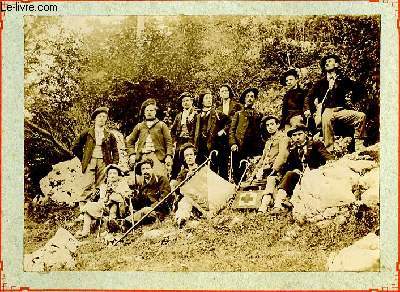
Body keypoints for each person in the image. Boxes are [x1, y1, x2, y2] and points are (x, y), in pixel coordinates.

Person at [304, 54, 366, 152]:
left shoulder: (343, 80)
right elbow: (309, 97)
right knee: (326, 120)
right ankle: (330, 151)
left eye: (330, 61)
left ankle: (359, 145)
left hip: (341, 109)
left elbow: (358, 89)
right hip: (327, 110)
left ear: (336, 64)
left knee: (361, 116)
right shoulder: (320, 83)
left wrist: (354, 100)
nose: (327, 63)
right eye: (326, 62)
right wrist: (307, 109)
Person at [271, 123, 333, 214]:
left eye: (299, 134)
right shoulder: (294, 150)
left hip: (315, 175)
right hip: (300, 177)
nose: (297, 137)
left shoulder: (315, 144)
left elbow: (327, 157)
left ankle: (292, 202)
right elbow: (287, 166)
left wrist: (322, 168)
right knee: (289, 174)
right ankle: (278, 205)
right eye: (294, 135)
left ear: (305, 134)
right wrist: (294, 170)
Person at [72, 106, 119, 203]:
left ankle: (99, 207)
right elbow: (76, 146)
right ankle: (83, 210)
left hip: (104, 162)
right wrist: (84, 158)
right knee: (87, 184)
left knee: (101, 186)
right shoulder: (87, 132)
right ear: (95, 119)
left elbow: (115, 150)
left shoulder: (109, 135)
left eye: (104, 117)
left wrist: (114, 164)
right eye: (99, 117)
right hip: (90, 161)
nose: (102, 119)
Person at [248, 115, 290, 213]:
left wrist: (274, 169)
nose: (269, 127)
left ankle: (267, 205)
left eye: (272, 124)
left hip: (278, 170)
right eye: (267, 125)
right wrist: (253, 174)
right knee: (250, 185)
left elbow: (282, 155)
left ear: (278, 125)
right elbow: (263, 159)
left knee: (271, 181)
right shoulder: (268, 141)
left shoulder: (283, 138)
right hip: (266, 170)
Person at [76, 164, 130, 238]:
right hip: (105, 207)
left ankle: (112, 221)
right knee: (88, 207)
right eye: (110, 173)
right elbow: (101, 199)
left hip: (120, 209)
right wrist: (105, 200)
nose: (112, 175)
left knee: (114, 201)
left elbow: (126, 197)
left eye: (114, 173)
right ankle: (85, 231)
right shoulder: (104, 187)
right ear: (107, 176)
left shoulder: (123, 185)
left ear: (118, 175)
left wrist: (115, 194)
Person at [126, 98, 173, 178]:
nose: (149, 112)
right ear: (144, 112)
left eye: (151, 110)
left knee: (159, 179)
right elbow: (130, 142)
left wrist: (168, 156)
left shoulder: (162, 125)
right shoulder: (139, 126)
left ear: (155, 112)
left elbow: (168, 142)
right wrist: (132, 155)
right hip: (142, 157)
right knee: (142, 180)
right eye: (147, 110)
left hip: (157, 157)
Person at [229, 87, 263, 184]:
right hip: (240, 146)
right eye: (247, 96)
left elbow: (262, 132)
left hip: (255, 148)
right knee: (239, 170)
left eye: (252, 96)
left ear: (255, 99)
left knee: (254, 170)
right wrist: (233, 143)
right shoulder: (238, 114)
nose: (249, 98)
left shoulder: (259, 115)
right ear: (244, 99)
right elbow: (232, 131)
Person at [127, 158, 172, 224]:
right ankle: (125, 223)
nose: (145, 171)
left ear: (152, 169)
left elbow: (164, 198)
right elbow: (139, 203)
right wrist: (130, 198)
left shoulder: (161, 180)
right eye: (143, 169)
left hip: (160, 212)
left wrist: (151, 208)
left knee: (145, 210)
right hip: (146, 213)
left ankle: (126, 222)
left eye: (147, 168)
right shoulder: (142, 185)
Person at [193, 90, 228, 171]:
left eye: (210, 98)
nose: (209, 100)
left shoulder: (217, 114)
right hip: (200, 145)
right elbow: (193, 131)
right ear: (202, 101)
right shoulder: (197, 116)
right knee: (201, 168)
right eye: (206, 98)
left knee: (213, 168)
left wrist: (223, 130)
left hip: (213, 145)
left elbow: (230, 122)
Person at [215, 84, 243, 180]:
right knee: (222, 159)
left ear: (229, 92)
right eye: (222, 91)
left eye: (226, 91)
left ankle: (237, 180)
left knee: (235, 159)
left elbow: (236, 120)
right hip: (222, 138)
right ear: (220, 94)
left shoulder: (237, 105)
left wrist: (225, 130)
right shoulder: (218, 108)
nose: (224, 93)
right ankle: (224, 180)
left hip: (233, 135)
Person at [171, 143, 202, 227]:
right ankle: (181, 220)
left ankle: (185, 218)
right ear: (184, 159)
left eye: (191, 154)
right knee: (184, 201)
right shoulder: (183, 173)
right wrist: (186, 178)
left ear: (195, 156)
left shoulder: (202, 169)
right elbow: (177, 190)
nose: (189, 157)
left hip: (200, 199)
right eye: (187, 155)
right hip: (187, 199)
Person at [170, 92, 197, 179]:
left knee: (189, 159)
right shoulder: (179, 116)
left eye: (187, 100)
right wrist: (174, 141)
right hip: (180, 141)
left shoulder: (196, 114)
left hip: (191, 141)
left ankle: (190, 179)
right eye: (184, 101)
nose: (186, 103)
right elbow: (173, 130)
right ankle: (174, 180)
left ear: (191, 101)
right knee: (177, 160)